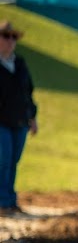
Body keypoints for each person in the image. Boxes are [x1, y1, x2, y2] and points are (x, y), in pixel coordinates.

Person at [0, 20, 38, 217]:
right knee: (3, 159)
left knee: (13, 159)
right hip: (1, 122)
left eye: (13, 37)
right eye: (6, 36)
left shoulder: (19, 63)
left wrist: (32, 116)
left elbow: (27, 92)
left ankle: (10, 200)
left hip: (20, 121)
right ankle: (3, 202)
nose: (10, 41)